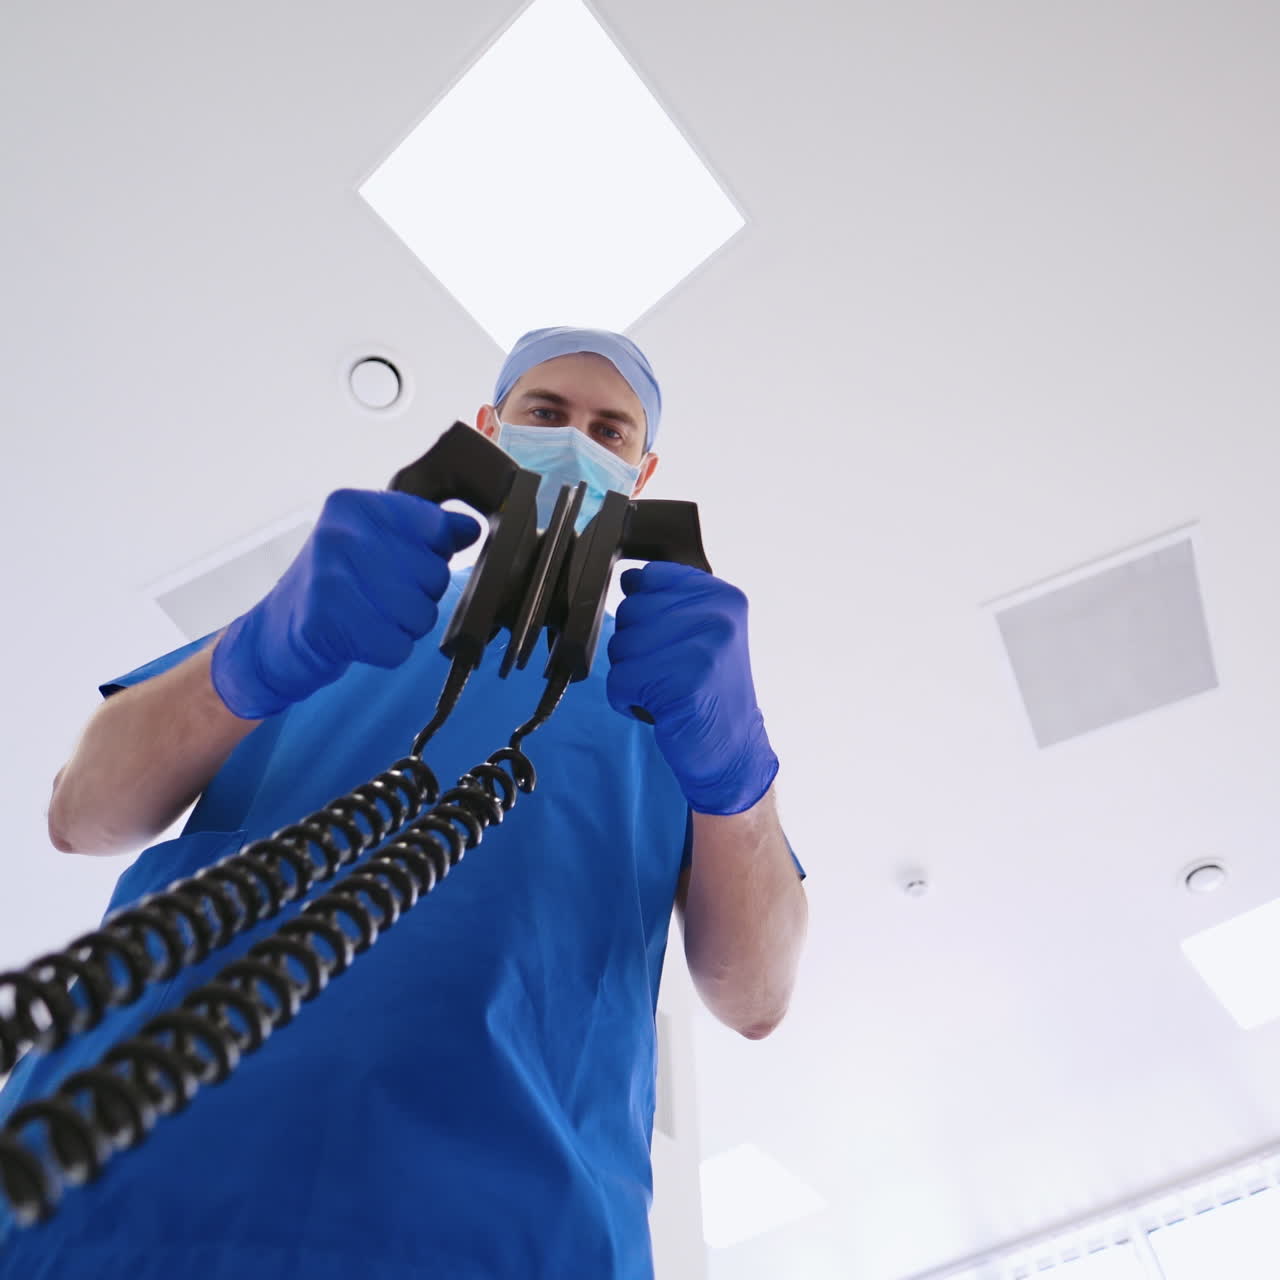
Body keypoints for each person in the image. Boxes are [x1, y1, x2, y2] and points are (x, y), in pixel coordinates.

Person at [0, 327, 808, 1279]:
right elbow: (81, 815)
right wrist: (259, 650)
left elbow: (756, 998)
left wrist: (734, 773)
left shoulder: (678, 698)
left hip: (510, 1227)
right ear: (488, 428)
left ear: (645, 470)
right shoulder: (340, 605)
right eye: (546, 414)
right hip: (129, 1175)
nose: (576, 445)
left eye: (610, 430)